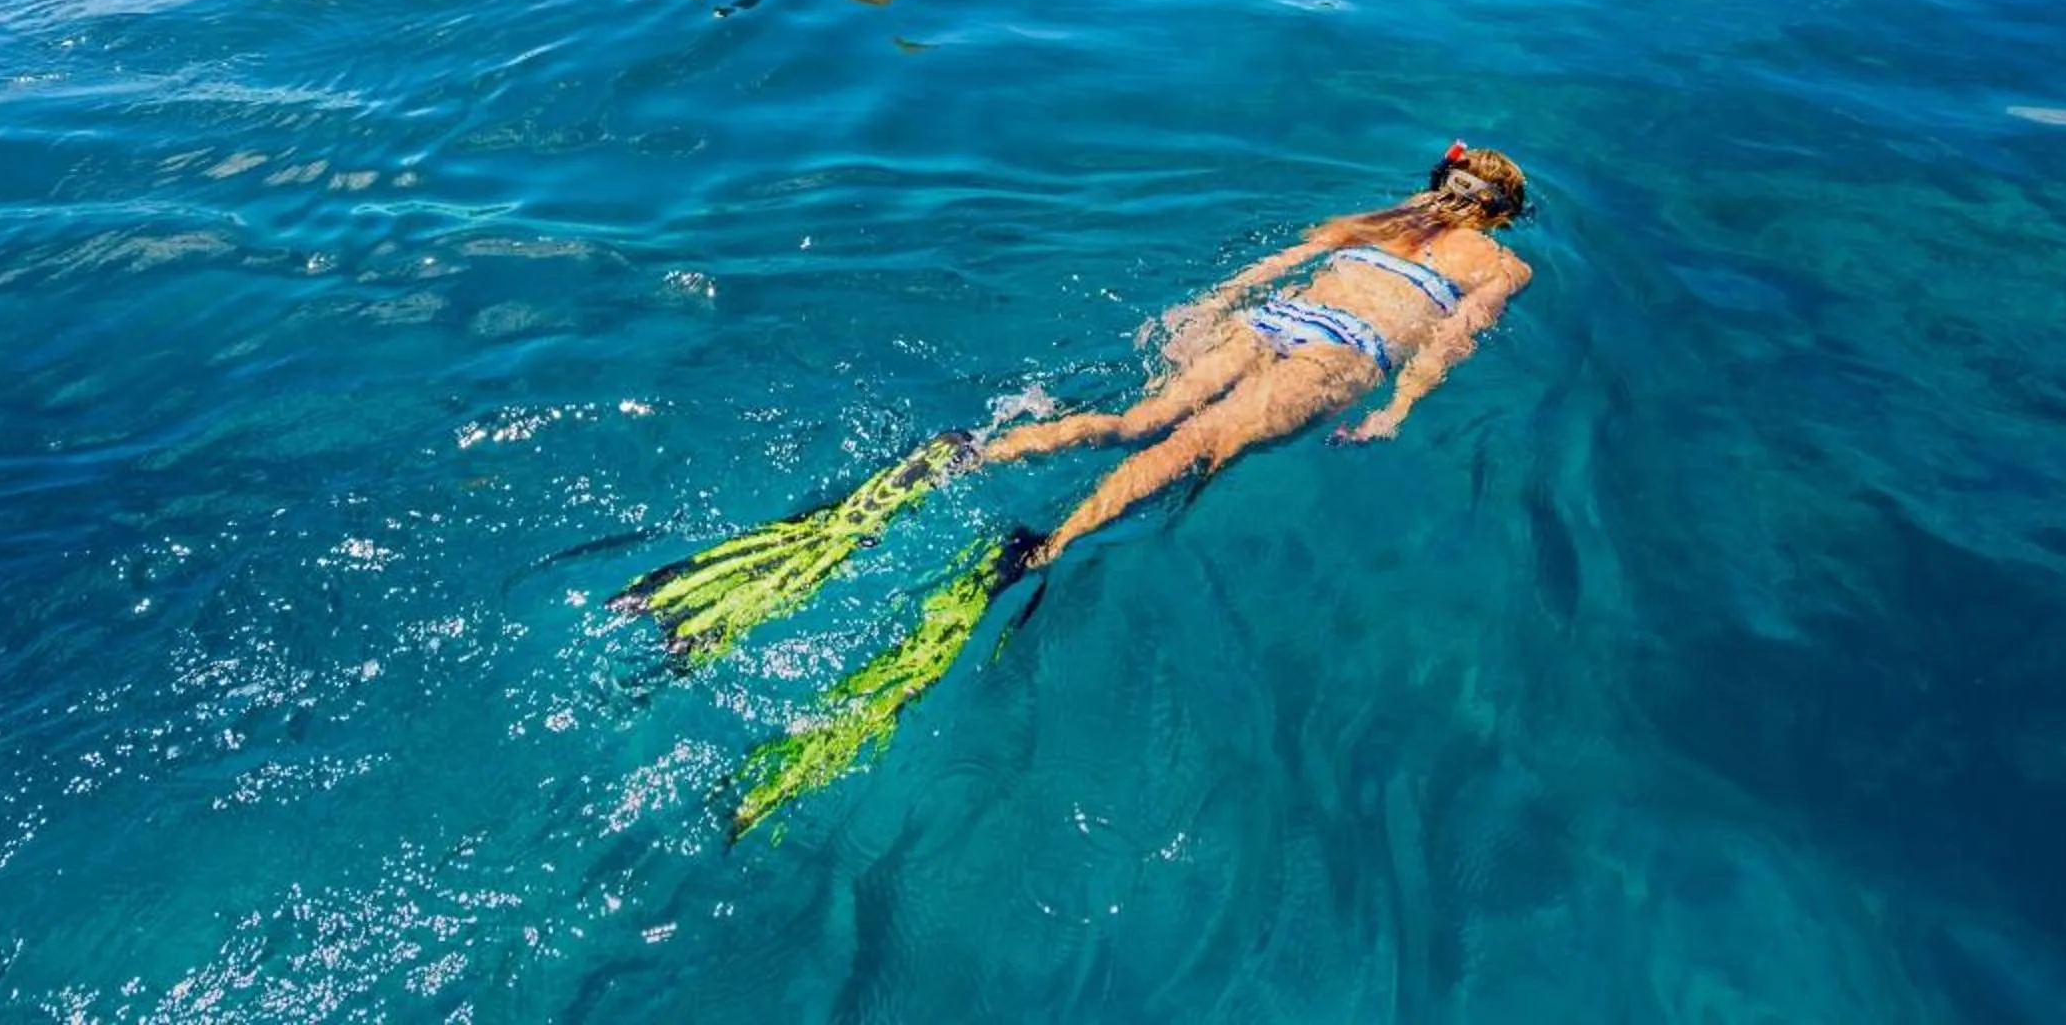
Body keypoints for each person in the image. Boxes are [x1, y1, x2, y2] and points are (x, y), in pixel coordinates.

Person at [617, 141, 1535, 834]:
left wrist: (1197, 316)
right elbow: (1450, 342)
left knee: (1135, 423)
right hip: (1341, 355)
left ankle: (967, 453)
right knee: (1195, 454)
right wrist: (1397, 413)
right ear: (1504, 213)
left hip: (1272, 319)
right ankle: (1037, 554)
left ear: (1446, 184)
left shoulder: (1370, 222)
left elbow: (1252, 277)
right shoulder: (1501, 266)